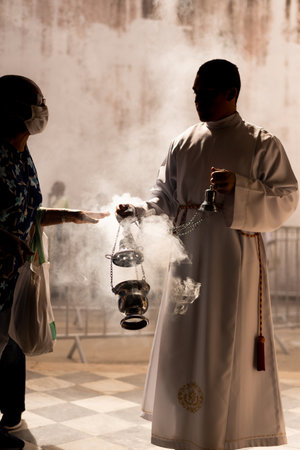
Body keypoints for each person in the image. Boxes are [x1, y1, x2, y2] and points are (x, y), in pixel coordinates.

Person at [116, 59, 298, 450]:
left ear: (232, 92)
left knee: (224, 343)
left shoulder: (260, 143)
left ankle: (223, 435)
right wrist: (138, 211)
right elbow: (163, 196)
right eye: (195, 92)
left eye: (207, 93)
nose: (198, 100)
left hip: (234, 263)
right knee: (184, 343)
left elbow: (287, 198)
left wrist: (242, 187)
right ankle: (185, 431)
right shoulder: (183, 141)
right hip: (187, 261)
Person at [0, 74, 109, 449]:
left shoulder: (21, 153)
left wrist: (71, 215)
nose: (41, 112)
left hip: (13, 278)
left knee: (8, 346)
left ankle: (7, 418)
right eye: (34, 104)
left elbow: (27, 210)